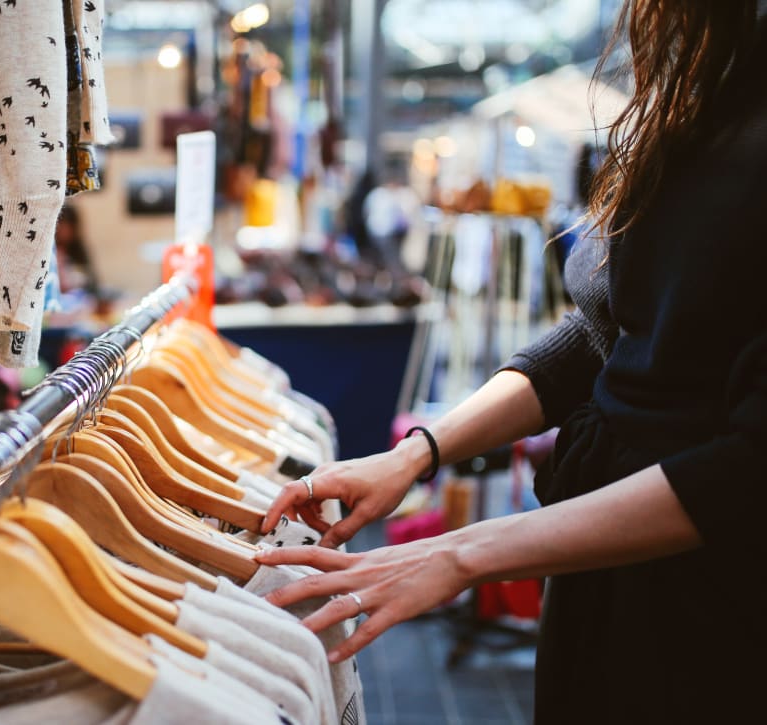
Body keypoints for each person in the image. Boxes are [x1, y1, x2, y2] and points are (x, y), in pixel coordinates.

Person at [255, 2, 767, 722]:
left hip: (706, 604)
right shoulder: (704, 84)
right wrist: (416, 455)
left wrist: (462, 554)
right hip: (602, 572)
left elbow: (748, 469)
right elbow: (605, 332)